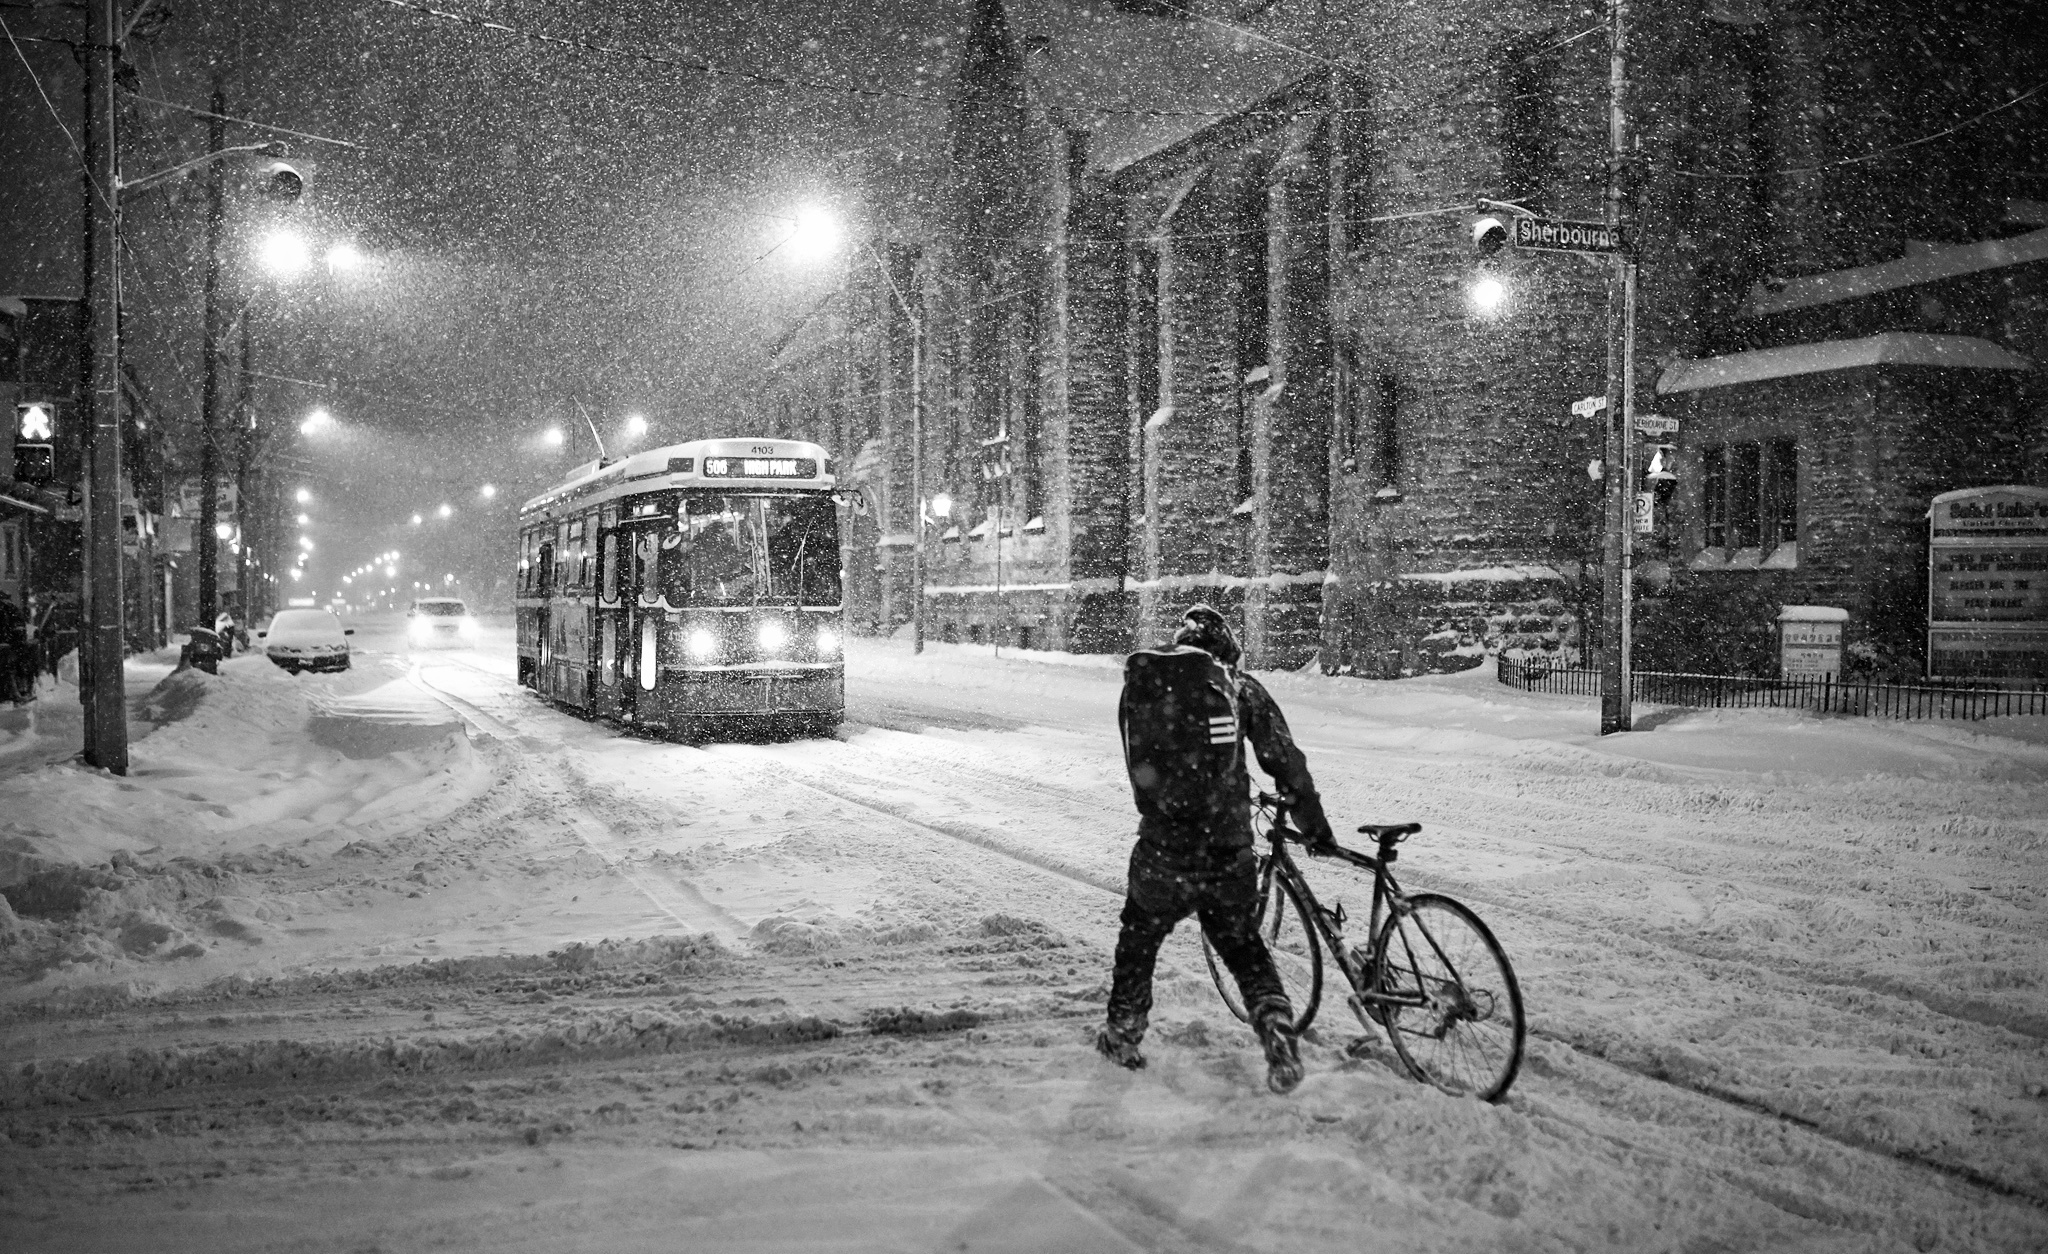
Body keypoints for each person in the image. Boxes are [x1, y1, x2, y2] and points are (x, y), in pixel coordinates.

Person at [1098, 603, 1336, 1094]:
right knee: (1244, 947)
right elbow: (1286, 763)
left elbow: (1139, 763)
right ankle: (1275, 1027)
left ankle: (1123, 1034)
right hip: (1227, 848)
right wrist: (1314, 828)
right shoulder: (1239, 689)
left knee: (1139, 939)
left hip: (1162, 847)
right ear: (1228, 651)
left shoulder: (1146, 685)